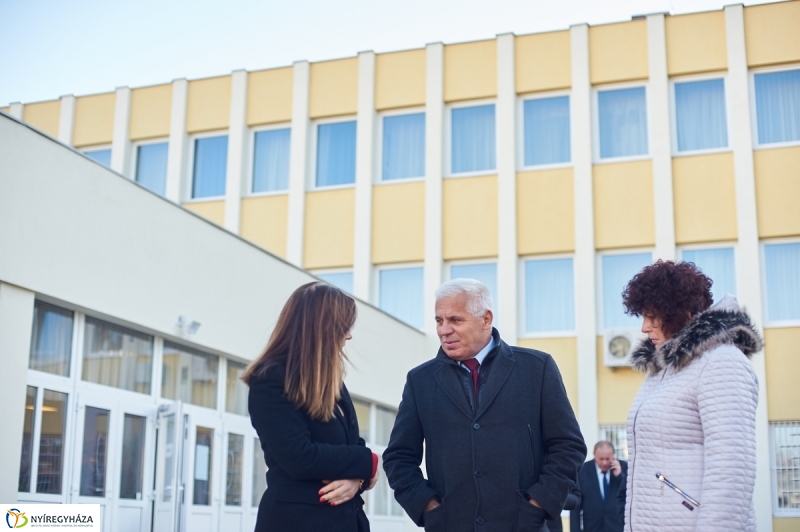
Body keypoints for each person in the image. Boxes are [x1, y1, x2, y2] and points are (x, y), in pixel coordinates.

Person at [383, 278, 586, 532]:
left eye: (455, 320)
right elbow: (398, 457)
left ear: (486, 319)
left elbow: (568, 446)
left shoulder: (537, 368)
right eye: (439, 320)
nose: (444, 330)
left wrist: (537, 506)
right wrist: (428, 508)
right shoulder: (420, 380)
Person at [622, 260, 760, 531]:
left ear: (680, 311)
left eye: (652, 317)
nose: (644, 328)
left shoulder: (722, 362)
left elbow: (732, 471)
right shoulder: (664, 371)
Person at [242, 282, 380, 532]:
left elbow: (350, 445)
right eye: (345, 326)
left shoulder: (331, 381)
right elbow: (299, 457)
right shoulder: (270, 380)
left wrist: (356, 480)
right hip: (297, 522)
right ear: (324, 327)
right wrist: (368, 462)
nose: (349, 335)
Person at [570, 441, 626, 532]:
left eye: (608, 459)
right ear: (594, 455)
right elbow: (575, 508)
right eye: (601, 459)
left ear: (613, 455)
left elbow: (630, 497)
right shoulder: (582, 471)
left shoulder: (624, 468)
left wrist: (620, 477)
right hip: (592, 528)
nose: (604, 463)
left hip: (617, 528)